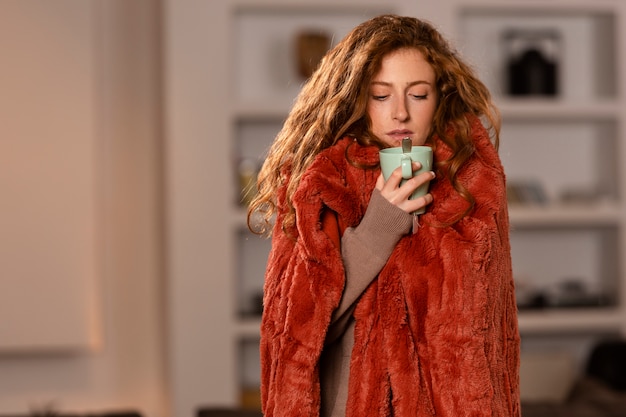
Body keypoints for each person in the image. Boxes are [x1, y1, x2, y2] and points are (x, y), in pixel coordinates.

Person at [248, 14, 520, 417]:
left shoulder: (475, 185)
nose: (400, 114)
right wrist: (379, 225)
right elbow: (297, 333)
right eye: (380, 95)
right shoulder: (321, 182)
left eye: (418, 94)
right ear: (357, 98)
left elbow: (495, 339)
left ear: (440, 98)